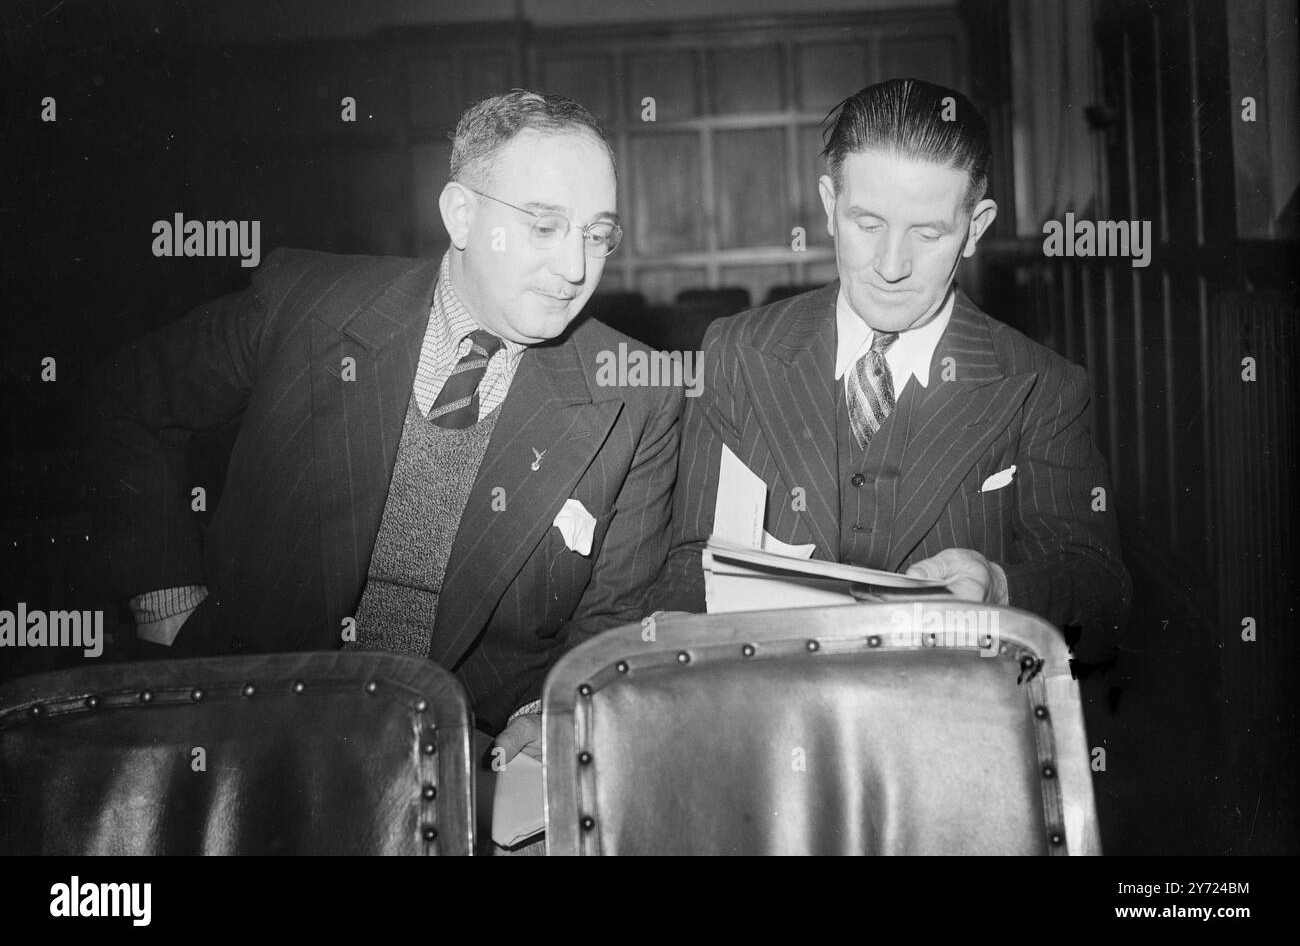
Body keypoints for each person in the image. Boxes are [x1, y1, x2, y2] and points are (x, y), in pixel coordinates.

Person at [86, 90, 683, 758]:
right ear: (461, 214)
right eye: (544, 226)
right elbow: (124, 400)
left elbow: (607, 623)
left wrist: (548, 714)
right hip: (250, 728)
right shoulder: (304, 303)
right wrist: (167, 600)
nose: (576, 268)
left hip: (462, 760)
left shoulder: (637, 393)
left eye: (597, 235)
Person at [654, 78, 1131, 660]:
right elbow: (692, 560)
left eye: (929, 233)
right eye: (868, 224)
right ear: (830, 207)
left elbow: (1101, 596)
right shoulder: (734, 351)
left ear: (974, 230)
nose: (890, 266)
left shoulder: (1044, 386)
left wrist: (1001, 588)